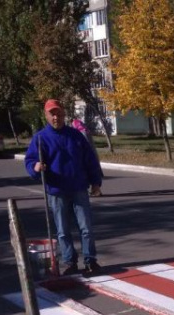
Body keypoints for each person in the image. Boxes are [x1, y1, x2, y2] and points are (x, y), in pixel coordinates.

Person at [25, 99, 103, 275]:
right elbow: (30, 161)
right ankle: (70, 263)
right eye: (52, 114)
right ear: (46, 115)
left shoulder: (75, 136)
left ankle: (91, 261)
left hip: (78, 188)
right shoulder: (40, 138)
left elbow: (90, 160)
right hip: (57, 190)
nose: (56, 117)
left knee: (86, 228)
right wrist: (36, 167)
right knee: (62, 231)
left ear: (64, 115)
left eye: (59, 114)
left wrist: (96, 182)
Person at [71, 117, 104, 196]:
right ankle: (96, 189)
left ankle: (96, 190)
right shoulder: (85, 129)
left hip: (88, 154)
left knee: (90, 170)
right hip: (93, 153)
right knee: (95, 169)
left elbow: (83, 145)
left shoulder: (79, 131)